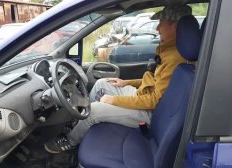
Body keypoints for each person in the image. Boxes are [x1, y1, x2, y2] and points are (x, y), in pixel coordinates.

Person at [44, 3, 192, 153]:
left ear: (175, 27)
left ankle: (70, 141)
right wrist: (126, 82)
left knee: (94, 110)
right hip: (143, 97)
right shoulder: (170, 51)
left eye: (161, 23)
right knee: (102, 83)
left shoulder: (176, 58)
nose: (157, 28)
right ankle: (81, 123)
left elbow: (154, 101)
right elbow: (155, 82)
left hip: (149, 113)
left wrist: (113, 100)